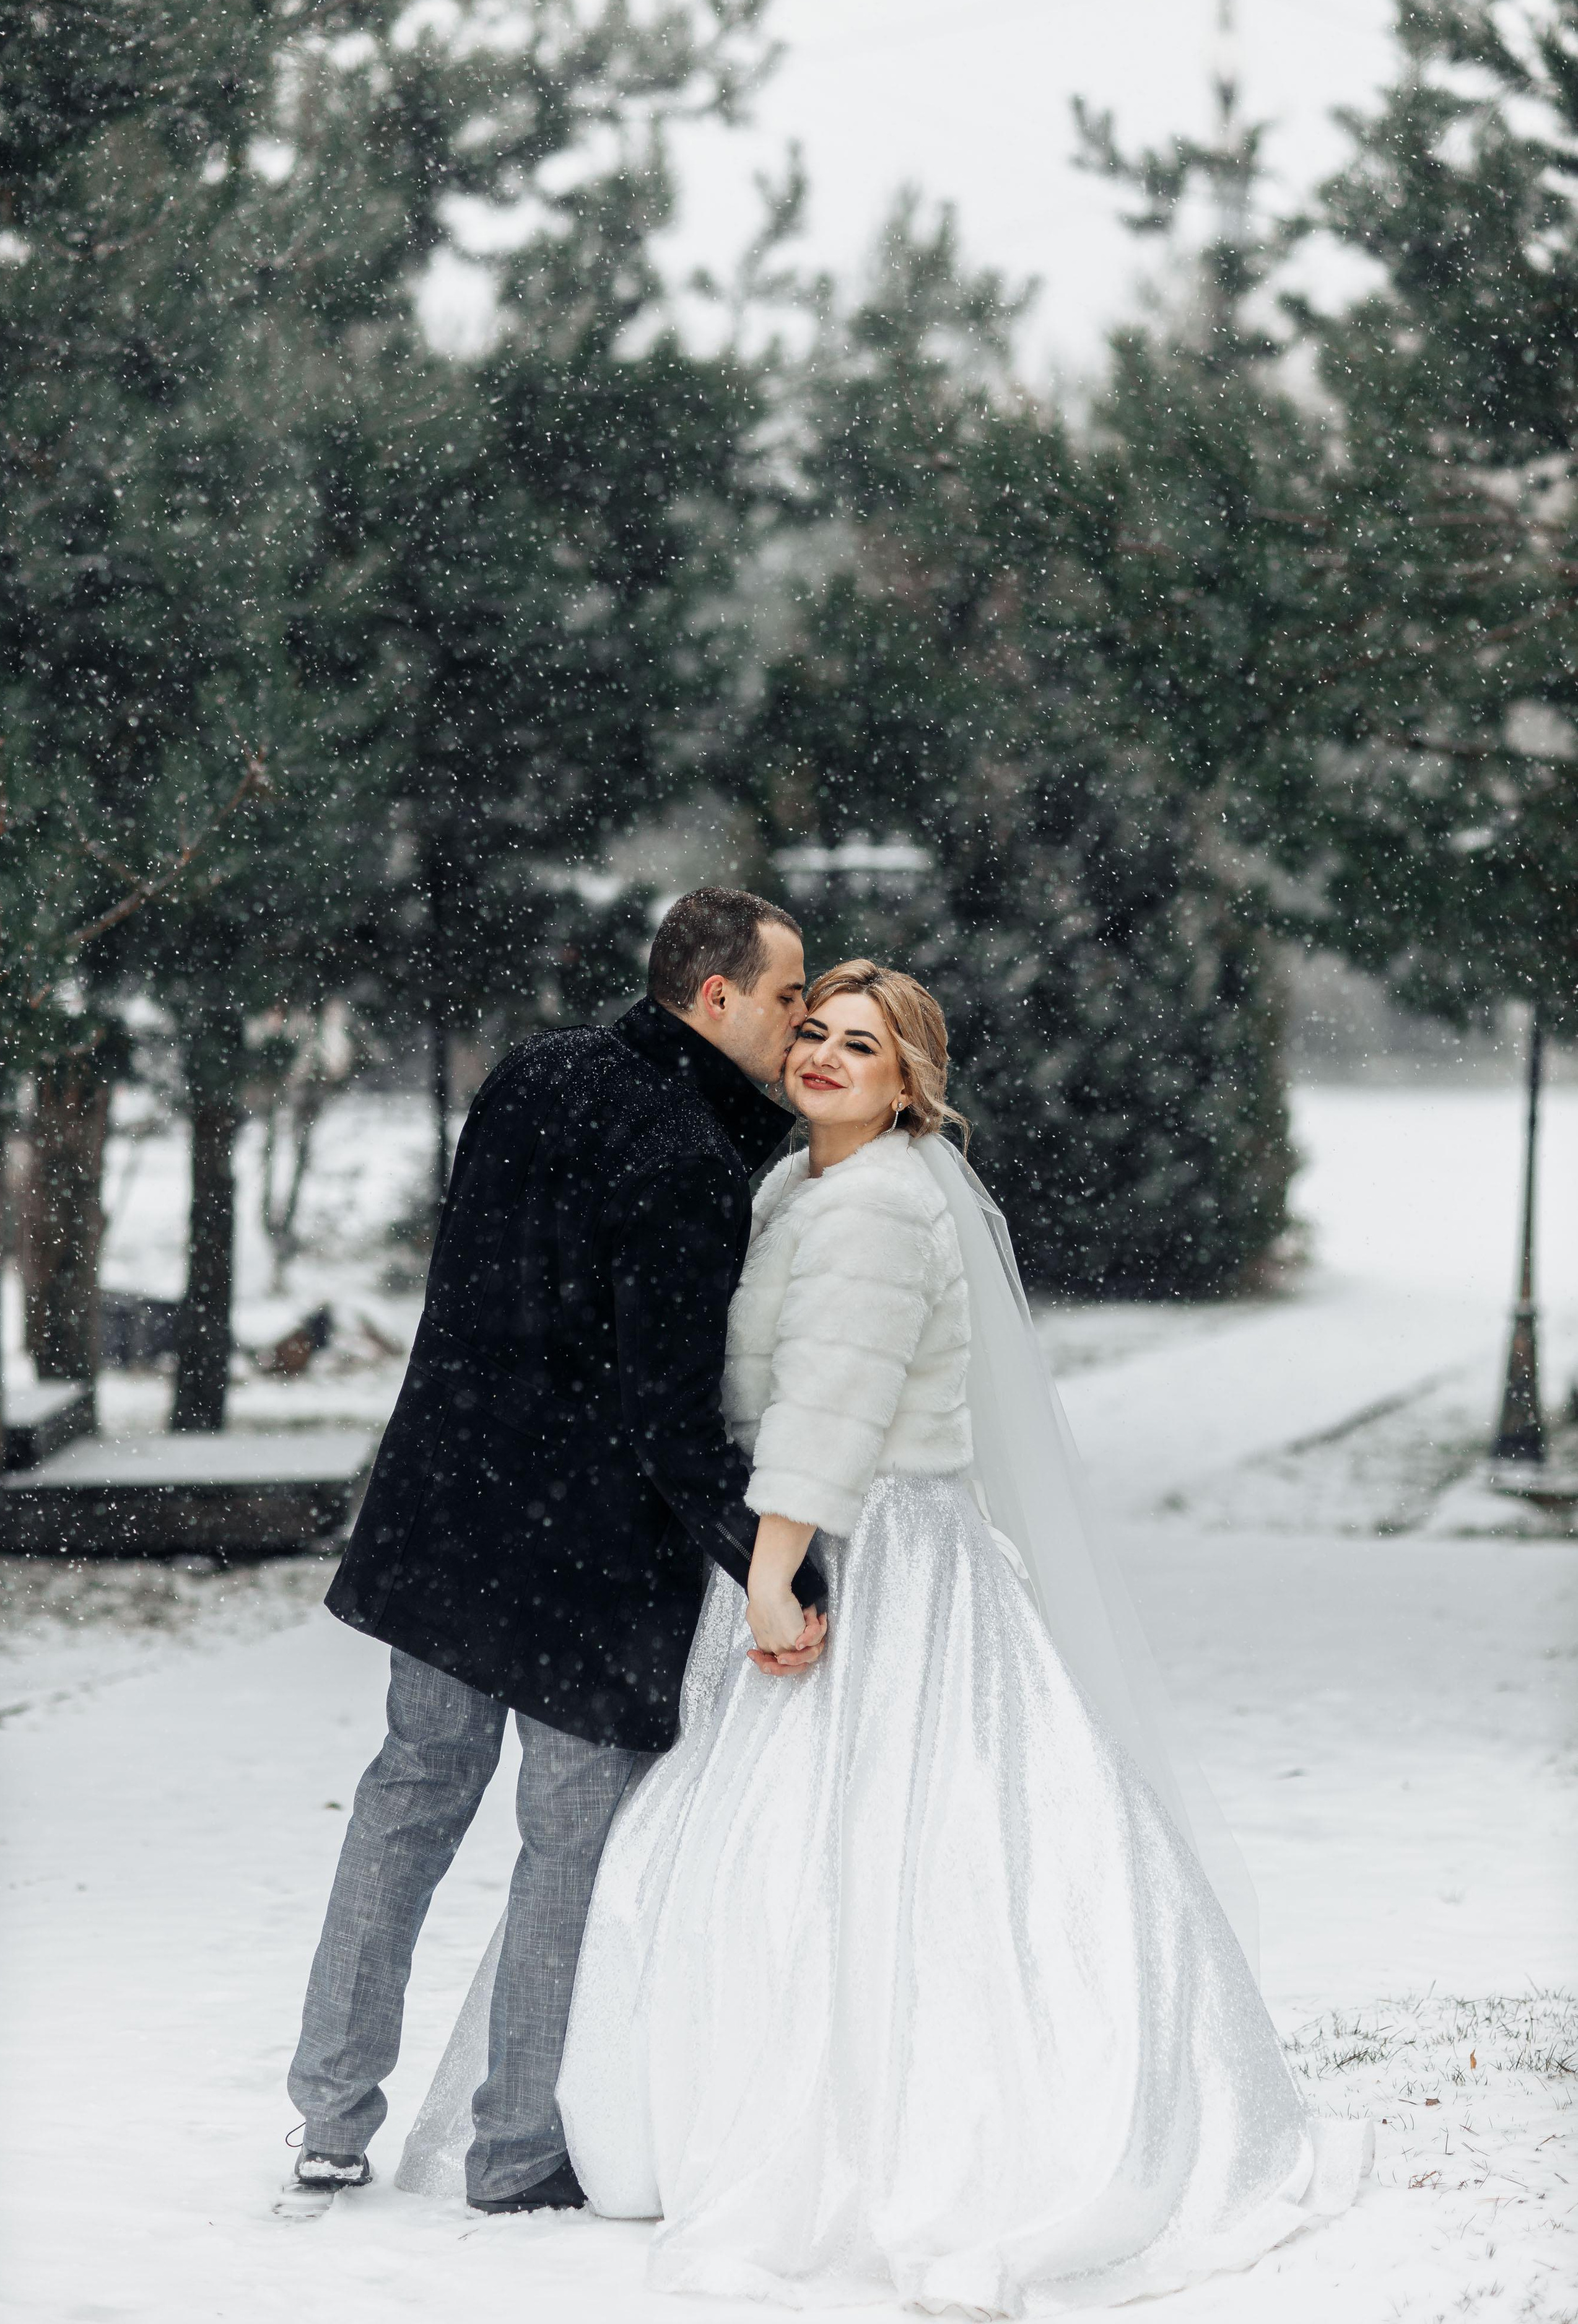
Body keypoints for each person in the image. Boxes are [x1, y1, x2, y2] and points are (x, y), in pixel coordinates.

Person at [403, 958, 1371, 2312]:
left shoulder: (869, 1210)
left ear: (906, 1082)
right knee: (774, 1838)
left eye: (857, 1045)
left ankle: (864, 2131)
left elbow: (826, 1420)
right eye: (809, 1031)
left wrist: (770, 1575)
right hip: (821, 1536)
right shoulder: (804, 1184)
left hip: (862, 1550)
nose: (819, 1055)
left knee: (870, 1838)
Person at [286, 888, 829, 2211]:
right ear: (714, 998)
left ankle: (329, 2112)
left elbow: (475, 1285)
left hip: (450, 1504)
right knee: (568, 1834)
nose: (800, 1016)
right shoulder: (689, 1153)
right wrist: (774, 1563)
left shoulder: (532, 1074)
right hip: (582, 1549)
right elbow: (668, 1408)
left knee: (410, 1797)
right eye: (783, 994)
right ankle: (518, 2145)